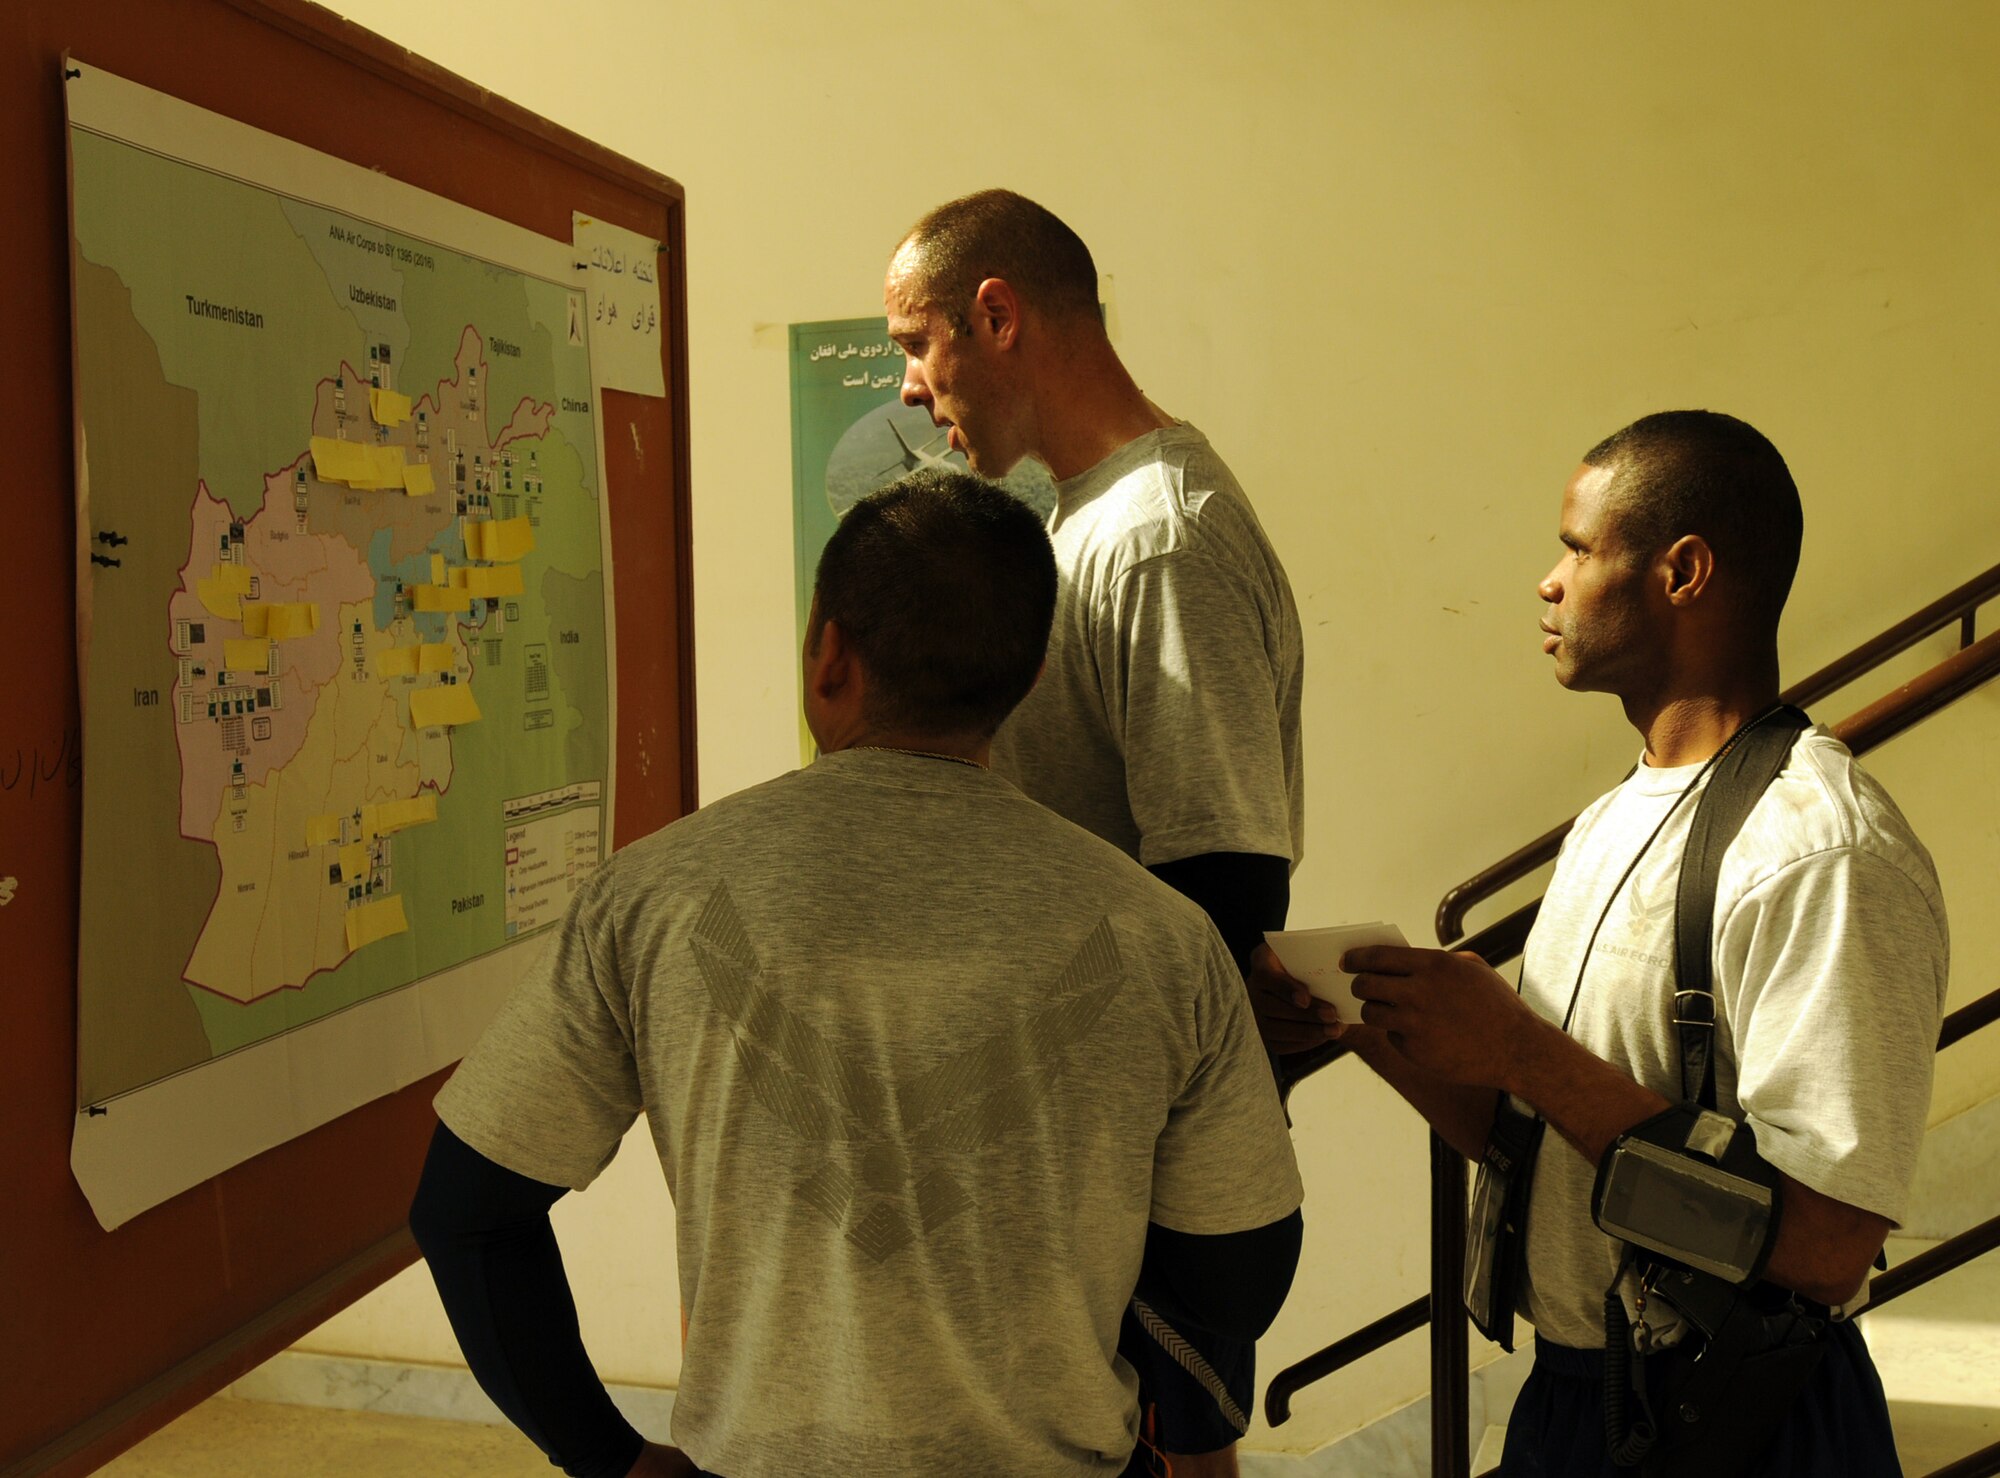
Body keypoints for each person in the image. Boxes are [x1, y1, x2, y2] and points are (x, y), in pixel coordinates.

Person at [410, 468, 1305, 1478]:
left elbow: (463, 1211)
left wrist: (610, 1457)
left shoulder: (652, 898)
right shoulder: (1162, 937)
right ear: (1027, 673)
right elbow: (1238, 1278)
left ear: (829, 654)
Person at [1262, 411, 1948, 1475]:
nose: (1547, 581)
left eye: (1577, 549)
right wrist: (1370, 1028)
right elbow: (1536, 1135)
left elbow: (1823, 1244)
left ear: (1681, 571)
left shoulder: (1818, 849)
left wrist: (1522, 1048)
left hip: (1736, 1421)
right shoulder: (1612, 818)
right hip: (1577, 1400)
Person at [885, 188, 1307, 1472]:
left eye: (917, 343)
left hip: (1123, 1170)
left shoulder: (1158, 540)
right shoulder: (1084, 516)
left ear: (995, 315)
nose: (911, 388)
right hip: (1082, 1162)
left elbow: (1220, 892)